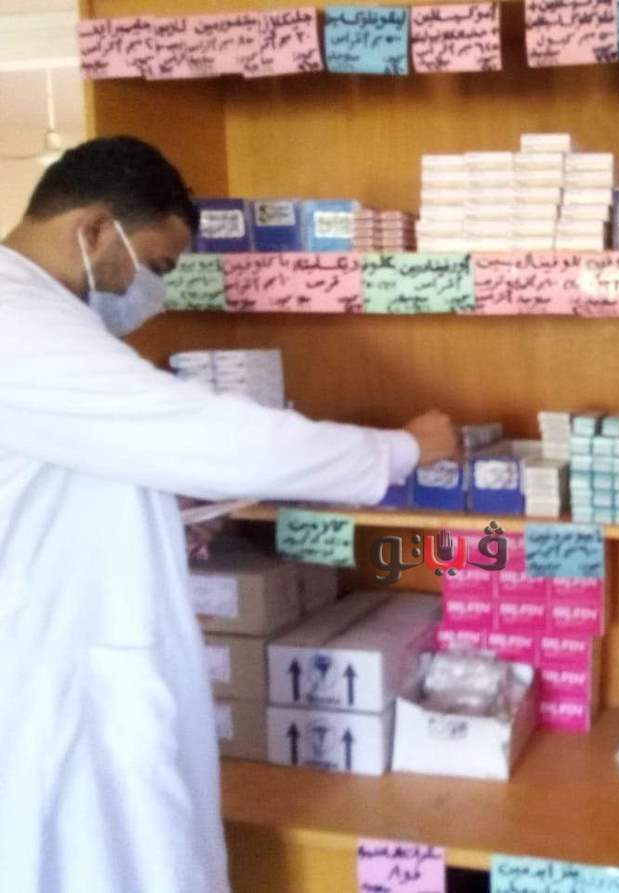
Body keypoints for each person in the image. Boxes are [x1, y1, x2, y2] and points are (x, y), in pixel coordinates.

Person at [0, 137, 457, 893]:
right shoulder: (18, 324)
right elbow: (209, 434)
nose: (155, 292)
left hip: (72, 654)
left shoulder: (44, 320)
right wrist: (401, 450)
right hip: (52, 682)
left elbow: (79, 460)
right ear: (94, 230)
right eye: (156, 265)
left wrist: (170, 503)